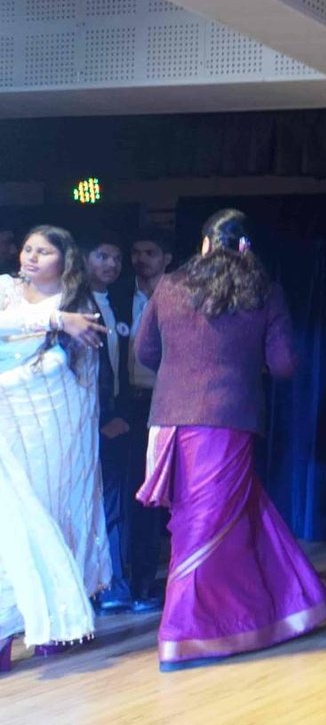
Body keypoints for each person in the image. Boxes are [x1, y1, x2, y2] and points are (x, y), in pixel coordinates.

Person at [133, 209, 326, 671]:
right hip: (225, 420)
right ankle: (184, 634)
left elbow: (144, 352)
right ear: (247, 248)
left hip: (167, 423)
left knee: (211, 518)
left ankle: (270, 612)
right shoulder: (264, 291)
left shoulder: (169, 285)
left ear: (204, 245)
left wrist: (183, 368)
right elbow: (284, 365)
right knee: (207, 526)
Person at [0, 226, 111, 671]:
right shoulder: (6, 292)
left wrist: (63, 321)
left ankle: (56, 622)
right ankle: (6, 629)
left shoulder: (79, 307)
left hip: (54, 430)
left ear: (65, 261)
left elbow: (81, 383)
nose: (30, 257)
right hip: (6, 425)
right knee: (12, 524)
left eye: (43, 252)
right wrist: (53, 321)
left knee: (53, 516)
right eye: (27, 249)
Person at [104, 227, 175, 614]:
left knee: (158, 495)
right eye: (136, 252)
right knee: (128, 494)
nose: (140, 259)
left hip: (169, 404)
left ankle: (148, 583)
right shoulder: (116, 297)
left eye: (150, 252)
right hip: (127, 405)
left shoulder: (179, 295)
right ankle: (120, 583)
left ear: (167, 258)